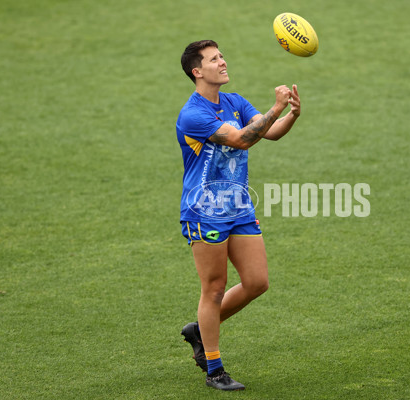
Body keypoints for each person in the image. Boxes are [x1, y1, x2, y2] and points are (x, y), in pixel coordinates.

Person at [175, 40, 300, 391]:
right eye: (215, 59)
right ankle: (214, 369)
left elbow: (268, 133)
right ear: (197, 71)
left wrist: (290, 114)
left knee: (257, 281)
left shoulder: (233, 101)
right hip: (205, 211)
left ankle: (200, 330)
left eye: (222, 56)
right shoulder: (193, 114)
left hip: (238, 206)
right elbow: (244, 139)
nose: (223, 62)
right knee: (213, 289)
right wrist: (275, 108)